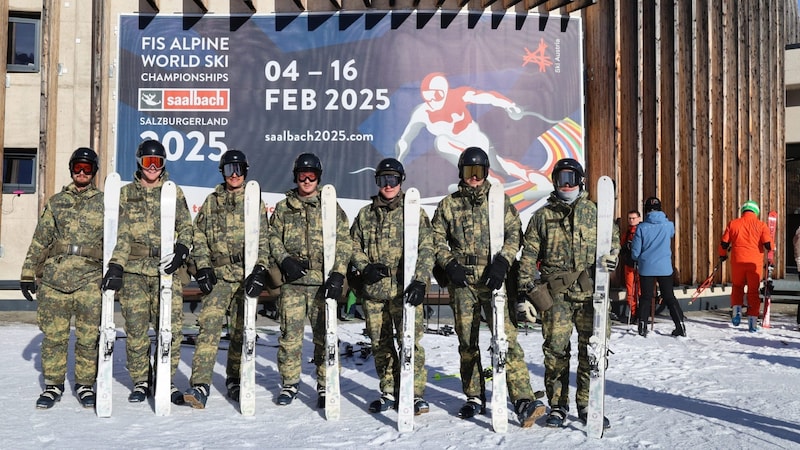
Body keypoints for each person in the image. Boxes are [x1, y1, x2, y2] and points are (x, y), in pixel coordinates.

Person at [431, 147, 545, 427]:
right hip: (462, 282)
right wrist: (449, 264)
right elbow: (434, 239)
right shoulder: (449, 204)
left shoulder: (498, 202)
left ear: (485, 173)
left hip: (493, 279)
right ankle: (474, 395)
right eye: (469, 172)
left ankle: (521, 397)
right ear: (462, 173)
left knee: (505, 337)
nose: (474, 178)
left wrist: (503, 262)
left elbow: (514, 233)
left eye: (479, 172)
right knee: (467, 342)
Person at [517, 157, 619, 429]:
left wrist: (614, 256)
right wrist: (525, 294)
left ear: (580, 181)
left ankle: (587, 404)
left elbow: (613, 240)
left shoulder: (596, 212)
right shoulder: (542, 216)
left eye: (571, 178)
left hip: (590, 295)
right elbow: (528, 256)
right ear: (554, 181)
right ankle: (558, 406)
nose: (566, 184)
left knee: (593, 351)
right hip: (556, 297)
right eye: (561, 178)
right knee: (556, 352)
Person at [101, 139, 193, 405]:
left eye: (157, 162)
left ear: (163, 164)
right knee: (137, 330)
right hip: (134, 271)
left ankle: (166, 378)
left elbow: (186, 226)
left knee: (170, 329)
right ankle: (141, 380)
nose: (152, 168)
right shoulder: (126, 194)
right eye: (147, 162)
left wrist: (182, 250)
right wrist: (116, 264)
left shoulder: (172, 193)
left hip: (166, 269)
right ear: (139, 163)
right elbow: (119, 233)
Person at [182, 150, 270, 408]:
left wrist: (260, 270)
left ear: (245, 171)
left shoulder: (255, 201)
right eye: (229, 169)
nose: (234, 175)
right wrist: (202, 267)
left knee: (242, 331)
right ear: (222, 172)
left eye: (239, 169)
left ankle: (235, 378)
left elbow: (264, 240)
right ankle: (200, 385)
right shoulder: (212, 201)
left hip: (246, 275)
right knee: (208, 327)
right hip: (220, 276)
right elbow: (197, 236)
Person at [20, 148, 104, 409]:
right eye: (78, 167)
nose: (82, 173)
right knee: (54, 337)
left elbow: (117, 241)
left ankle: (85, 384)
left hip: (90, 278)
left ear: (93, 172)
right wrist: (27, 272)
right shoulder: (56, 202)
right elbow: (40, 238)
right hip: (55, 280)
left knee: (88, 338)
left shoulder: (105, 203)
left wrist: (115, 271)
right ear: (71, 170)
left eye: (87, 169)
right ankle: (53, 384)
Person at [350, 158, 433, 415]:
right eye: (383, 180)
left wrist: (420, 280)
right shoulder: (366, 214)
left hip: (404, 290)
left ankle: (415, 393)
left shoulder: (414, 212)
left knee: (410, 343)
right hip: (375, 292)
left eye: (393, 180)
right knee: (380, 343)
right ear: (377, 182)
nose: (388, 185)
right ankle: (389, 390)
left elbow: (427, 248)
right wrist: (365, 266)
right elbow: (352, 245)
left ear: (401, 181)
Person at [268, 153, 351, 408]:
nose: (306, 180)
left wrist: (337, 273)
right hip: (293, 282)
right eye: (302, 175)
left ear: (318, 178)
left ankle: (325, 385)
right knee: (289, 337)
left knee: (324, 337)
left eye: (311, 175)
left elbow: (344, 241)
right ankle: (290, 383)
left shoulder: (330, 206)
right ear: (295, 177)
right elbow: (271, 237)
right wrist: (284, 260)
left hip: (321, 283)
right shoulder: (284, 207)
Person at [395, 72, 551, 191]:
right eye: (428, 94)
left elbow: (488, 97)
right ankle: (491, 180)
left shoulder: (458, 96)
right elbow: (405, 138)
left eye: (438, 94)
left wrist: (509, 105)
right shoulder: (422, 112)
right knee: (442, 142)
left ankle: (537, 179)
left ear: (445, 92)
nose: (433, 99)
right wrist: (399, 161)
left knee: (500, 165)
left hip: (476, 142)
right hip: (457, 149)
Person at [631, 197, 686, 338]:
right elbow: (671, 234)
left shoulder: (642, 227)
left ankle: (642, 326)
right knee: (669, 296)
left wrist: (636, 257)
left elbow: (635, 252)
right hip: (664, 266)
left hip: (646, 266)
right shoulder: (668, 225)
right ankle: (680, 325)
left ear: (646, 210)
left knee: (646, 297)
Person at [718, 200, 772, 332]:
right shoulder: (761, 225)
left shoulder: (733, 224)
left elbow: (724, 243)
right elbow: (768, 245)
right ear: (756, 212)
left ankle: (736, 311)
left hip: (737, 262)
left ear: (743, 211)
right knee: (753, 291)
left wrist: (722, 255)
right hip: (754, 264)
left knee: (737, 286)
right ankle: (752, 323)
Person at [619, 210, 642, 323]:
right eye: (630, 218)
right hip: (629, 265)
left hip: (641, 266)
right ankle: (633, 313)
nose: (632, 220)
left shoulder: (642, 231)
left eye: (634, 218)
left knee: (641, 290)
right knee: (630, 290)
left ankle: (642, 313)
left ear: (639, 218)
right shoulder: (627, 233)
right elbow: (621, 246)